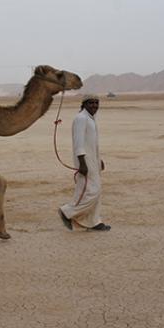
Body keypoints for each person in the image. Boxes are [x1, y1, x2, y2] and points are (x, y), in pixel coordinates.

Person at [58, 94, 110, 231]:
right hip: (85, 160)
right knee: (92, 190)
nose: (94, 105)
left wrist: (99, 160)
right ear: (84, 104)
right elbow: (79, 142)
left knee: (94, 190)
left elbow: (91, 143)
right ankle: (67, 212)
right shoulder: (81, 118)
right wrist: (82, 163)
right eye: (91, 103)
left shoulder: (90, 119)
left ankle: (94, 221)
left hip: (93, 160)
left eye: (96, 102)